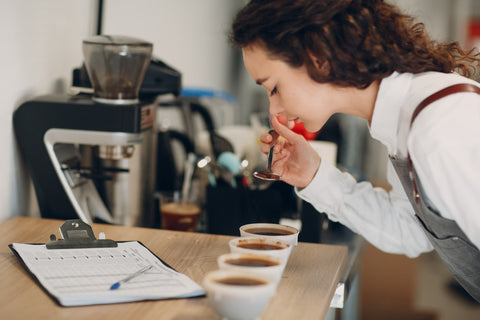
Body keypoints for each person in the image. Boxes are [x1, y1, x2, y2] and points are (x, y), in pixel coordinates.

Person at [230, 0, 480, 302]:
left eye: (273, 88)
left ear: (319, 58)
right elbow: (411, 232)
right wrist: (314, 176)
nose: (275, 110)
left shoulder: (437, 128)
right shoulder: (403, 122)